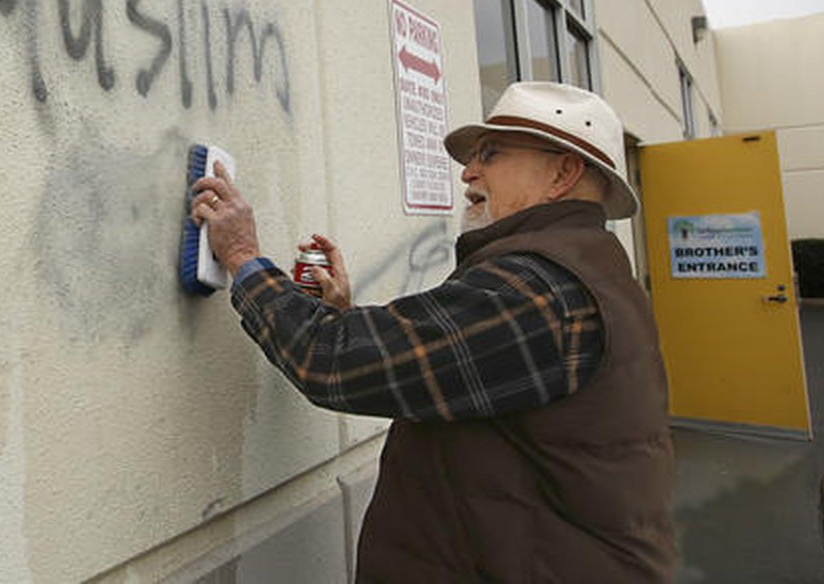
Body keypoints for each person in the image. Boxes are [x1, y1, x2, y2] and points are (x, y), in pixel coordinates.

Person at [190, 82, 675, 583]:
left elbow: (331, 361)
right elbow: (448, 371)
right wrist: (342, 315)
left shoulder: (541, 290)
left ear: (563, 172)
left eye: (491, 153)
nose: (468, 172)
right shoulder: (583, 270)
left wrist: (244, 258)